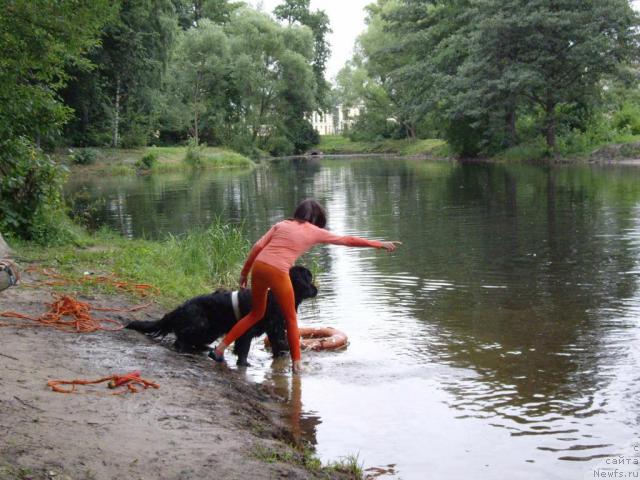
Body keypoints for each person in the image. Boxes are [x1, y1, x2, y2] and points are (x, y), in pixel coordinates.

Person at [209, 199, 401, 373]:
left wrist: (244, 273)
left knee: (255, 314)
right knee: (291, 318)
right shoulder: (314, 230)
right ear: (316, 218)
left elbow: (258, 247)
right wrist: (378, 244)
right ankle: (297, 365)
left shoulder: (281, 224)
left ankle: (219, 350)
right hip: (277, 271)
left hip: (259, 267)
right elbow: (347, 240)